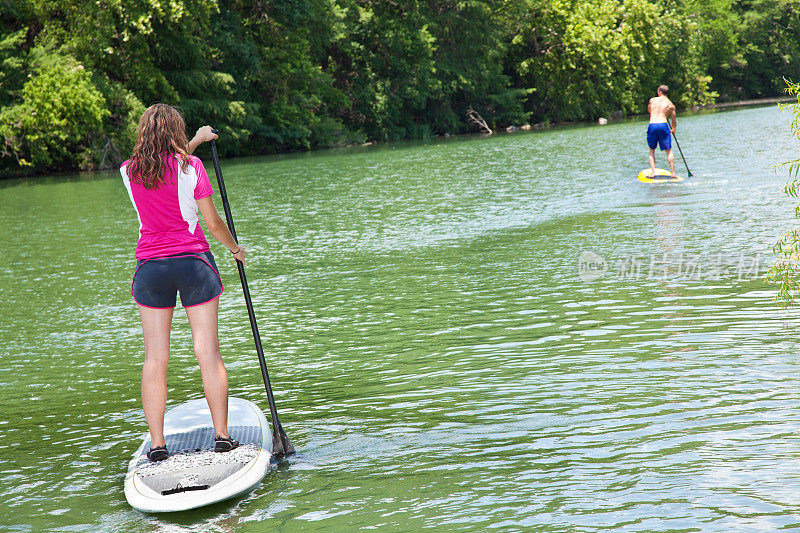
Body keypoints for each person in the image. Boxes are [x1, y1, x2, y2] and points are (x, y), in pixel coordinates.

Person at [121, 103, 245, 461]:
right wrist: (235, 249)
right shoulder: (192, 168)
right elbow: (214, 223)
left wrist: (196, 140)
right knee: (207, 352)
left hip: (151, 270)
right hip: (193, 265)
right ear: (175, 131)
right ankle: (222, 437)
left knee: (155, 359)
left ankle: (158, 445)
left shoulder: (129, 171)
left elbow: (163, 167)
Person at [646, 85, 677, 178]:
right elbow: (674, 121)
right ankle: (673, 173)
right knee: (668, 150)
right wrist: (673, 130)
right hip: (663, 124)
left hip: (653, 124)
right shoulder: (671, 105)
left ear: (659, 92)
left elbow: (649, 110)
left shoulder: (652, 100)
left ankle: (653, 172)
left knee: (651, 150)